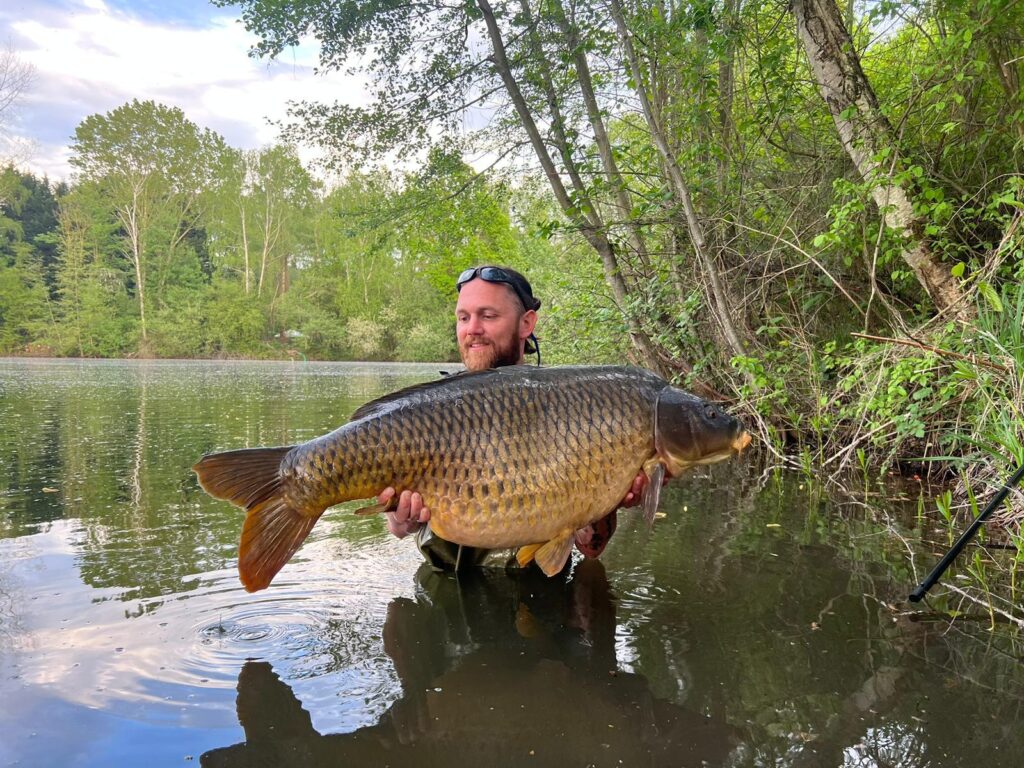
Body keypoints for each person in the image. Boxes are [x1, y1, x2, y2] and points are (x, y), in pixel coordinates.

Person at [377, 264, 649, 570]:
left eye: (488, 315)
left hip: (536, 590)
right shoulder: (428, 414)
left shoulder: (571, 409)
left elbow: (591, 548)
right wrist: (402, 521)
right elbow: (397, 528)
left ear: (526, 323)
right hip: (443, 585)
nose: (472, 329)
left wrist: (614, 496)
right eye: (463, 317)